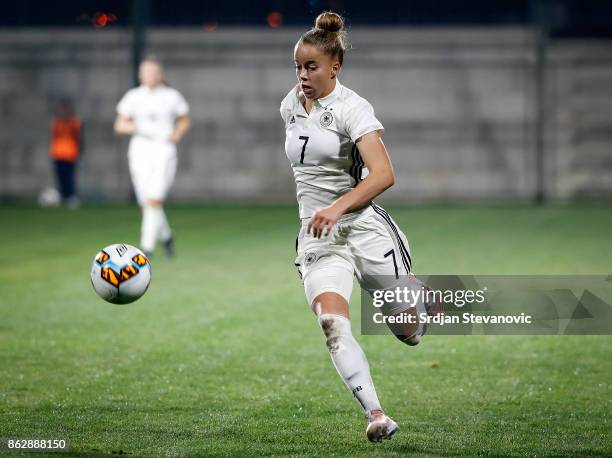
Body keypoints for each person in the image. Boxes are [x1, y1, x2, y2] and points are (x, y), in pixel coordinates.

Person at [281, 12, 436, 442]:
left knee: (407, 333)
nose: (302, 74)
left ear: (335, 67)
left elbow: (384, 174)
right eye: (297, 65)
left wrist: (336, 207)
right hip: (318, 240)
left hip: (364, 230)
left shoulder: (354, 108)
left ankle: (421, 298)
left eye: (311, 66)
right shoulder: (290, 104)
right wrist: (320, 214)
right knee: (332, 326)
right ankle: (376, 413)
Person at [114, 57, 191, 258]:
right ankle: (166, 236)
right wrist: (134, 127)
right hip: (140, 152)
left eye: (153, 71)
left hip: (164, 151)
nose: (149, 75)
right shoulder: (133, 96)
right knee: (147, 203)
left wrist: (177, 133)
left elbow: (184, 119)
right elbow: (120, 125)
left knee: (153, 200)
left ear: (161, 74)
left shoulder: (172, 96)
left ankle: (145, 249)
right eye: (145, 71)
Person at [49, 98, 82, 208]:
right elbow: (54, 136)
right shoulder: (56, 122)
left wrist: (79, 150)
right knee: (60, 176)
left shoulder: (74, 122)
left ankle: (70, 196)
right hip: (58, 154)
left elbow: (78, 137)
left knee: (69, 177)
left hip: (70, 154)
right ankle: (63, 195)